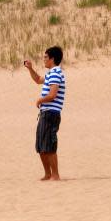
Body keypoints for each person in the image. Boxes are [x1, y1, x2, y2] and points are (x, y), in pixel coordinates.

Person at [24, 46, 65, 181]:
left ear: (52, 59)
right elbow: (37, 80)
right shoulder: (50, 74)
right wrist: (30, 68)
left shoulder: (56, 73)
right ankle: (48, 173)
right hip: (45, 113)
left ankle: (55, 174)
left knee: (49, 144)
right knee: (41, 145)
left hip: (51, 113)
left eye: (46, 57)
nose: (44, 59)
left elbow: (52, 95)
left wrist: (40, 100)